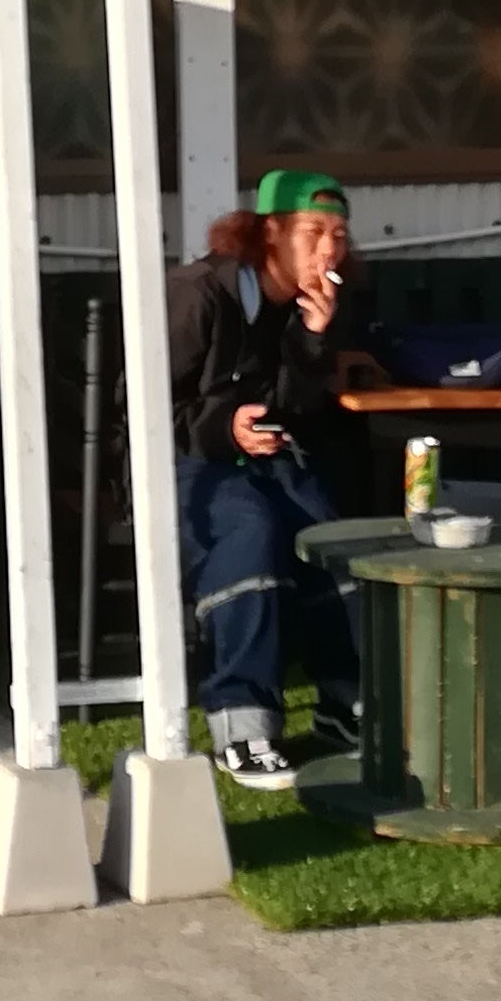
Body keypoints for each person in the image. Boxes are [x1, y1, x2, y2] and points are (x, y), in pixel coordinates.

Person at [164, 166, 372, 788]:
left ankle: (346, 703)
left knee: (329, 533)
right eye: (314, 232)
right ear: (270, 232)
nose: (329, 249)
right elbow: (142, 405)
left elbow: (295, 408)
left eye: (339, 235)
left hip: (265, 459)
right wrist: (224, 429)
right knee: (250, 532)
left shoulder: (308, 305)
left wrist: (313, 337)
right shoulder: (199, 293)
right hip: (183, 462)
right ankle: (243, 722)